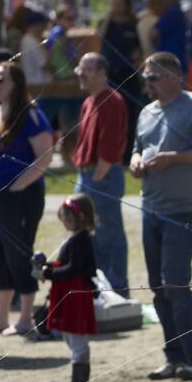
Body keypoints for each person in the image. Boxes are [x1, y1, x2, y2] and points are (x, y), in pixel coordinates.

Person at [130, 51, 192, 381]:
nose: (147, 84)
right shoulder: (145, 113)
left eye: (152, 78)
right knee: (158, 286)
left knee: (175, 281)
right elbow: (138, 148)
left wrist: (176, 158)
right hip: (150, 207)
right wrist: (136, 161)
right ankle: (174, 356)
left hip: (185, 209)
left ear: (173, 77)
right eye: (144, 78)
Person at [0, 61, 54, 338]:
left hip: (21, 196)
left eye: (1, 79)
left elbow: (44, 156)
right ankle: (1, 318)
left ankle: (25, 317)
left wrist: (16, 186)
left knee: (19, 253)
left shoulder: (31, 114)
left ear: (16, 83)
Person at [72, 52, 129, 294]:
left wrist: (96, 177)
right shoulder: (88, 102)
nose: (80, 74)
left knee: (108, 234)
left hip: (102, 177)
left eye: (86, 70)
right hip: (87, 175)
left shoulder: (112, 101)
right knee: (89, 236)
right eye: (79, 69)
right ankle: (97, 286)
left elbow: (109, 148)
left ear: (102, 74)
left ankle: (116, 288)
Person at [40, 194, 99, 382]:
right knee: (70, 337)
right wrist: (49, 267)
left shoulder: (80, 241)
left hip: (76, 297)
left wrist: (47, 273)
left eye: (68, 216)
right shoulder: (75, 239)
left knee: (77, 339)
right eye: (63, 216)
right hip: (69, 294)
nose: (64, 220)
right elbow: (66, 265)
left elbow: (74, 270)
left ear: (81, 217)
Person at [98, 0, 143, 163]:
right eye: (114, 3)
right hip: (111, 76)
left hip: (128, 75)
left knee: (130, 116)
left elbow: (138, 49)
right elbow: (99, 37)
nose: (116, 7)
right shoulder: (107, 25)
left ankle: (128, 153)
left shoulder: (132, 26)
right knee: (110, 116)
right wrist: (109, 18)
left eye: (120, 4)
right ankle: (110, 154)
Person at [152, 0, 188, 71]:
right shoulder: (175, 12)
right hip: (174, 64)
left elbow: (153, 34)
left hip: (170, 66)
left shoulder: (172, 13)